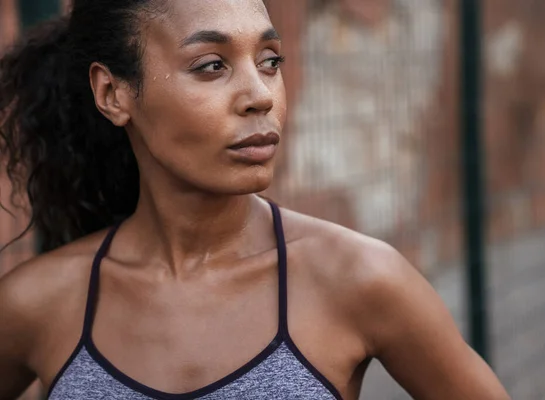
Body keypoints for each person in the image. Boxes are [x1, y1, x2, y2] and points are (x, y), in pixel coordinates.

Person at [0, 0, 510, 399]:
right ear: (113, 93)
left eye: (270, 61)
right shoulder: (39, 303)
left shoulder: (359, 277)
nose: (261, 94)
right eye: (211, 66)